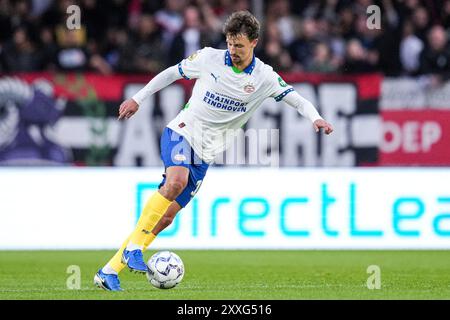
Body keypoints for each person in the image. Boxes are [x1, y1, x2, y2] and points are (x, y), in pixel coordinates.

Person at [94, 10, 333, 291]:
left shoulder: (264, 77)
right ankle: (134, 247)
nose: (233, 50)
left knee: (167, 216)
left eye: (240, 46)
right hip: (182, 132)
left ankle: (108, 272)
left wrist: (315, 117)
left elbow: (298, 100)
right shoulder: (209, 58)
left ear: (254, 43)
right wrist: (137, 98)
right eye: (230, 44)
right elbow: (172, 73)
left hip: (205, 154)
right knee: (176, 181)